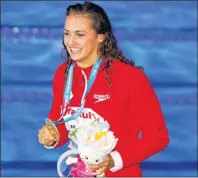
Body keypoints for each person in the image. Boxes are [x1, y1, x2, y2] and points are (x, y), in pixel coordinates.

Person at [38, 1, 170, 176]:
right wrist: (52, 136)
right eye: (67, 33)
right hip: (78, 172)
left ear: (100, 37)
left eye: (80, 34)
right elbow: (61, 123)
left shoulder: (130, 77)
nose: (71, 42)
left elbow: (158, 137)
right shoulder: (63, 73)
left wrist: (115, 159)